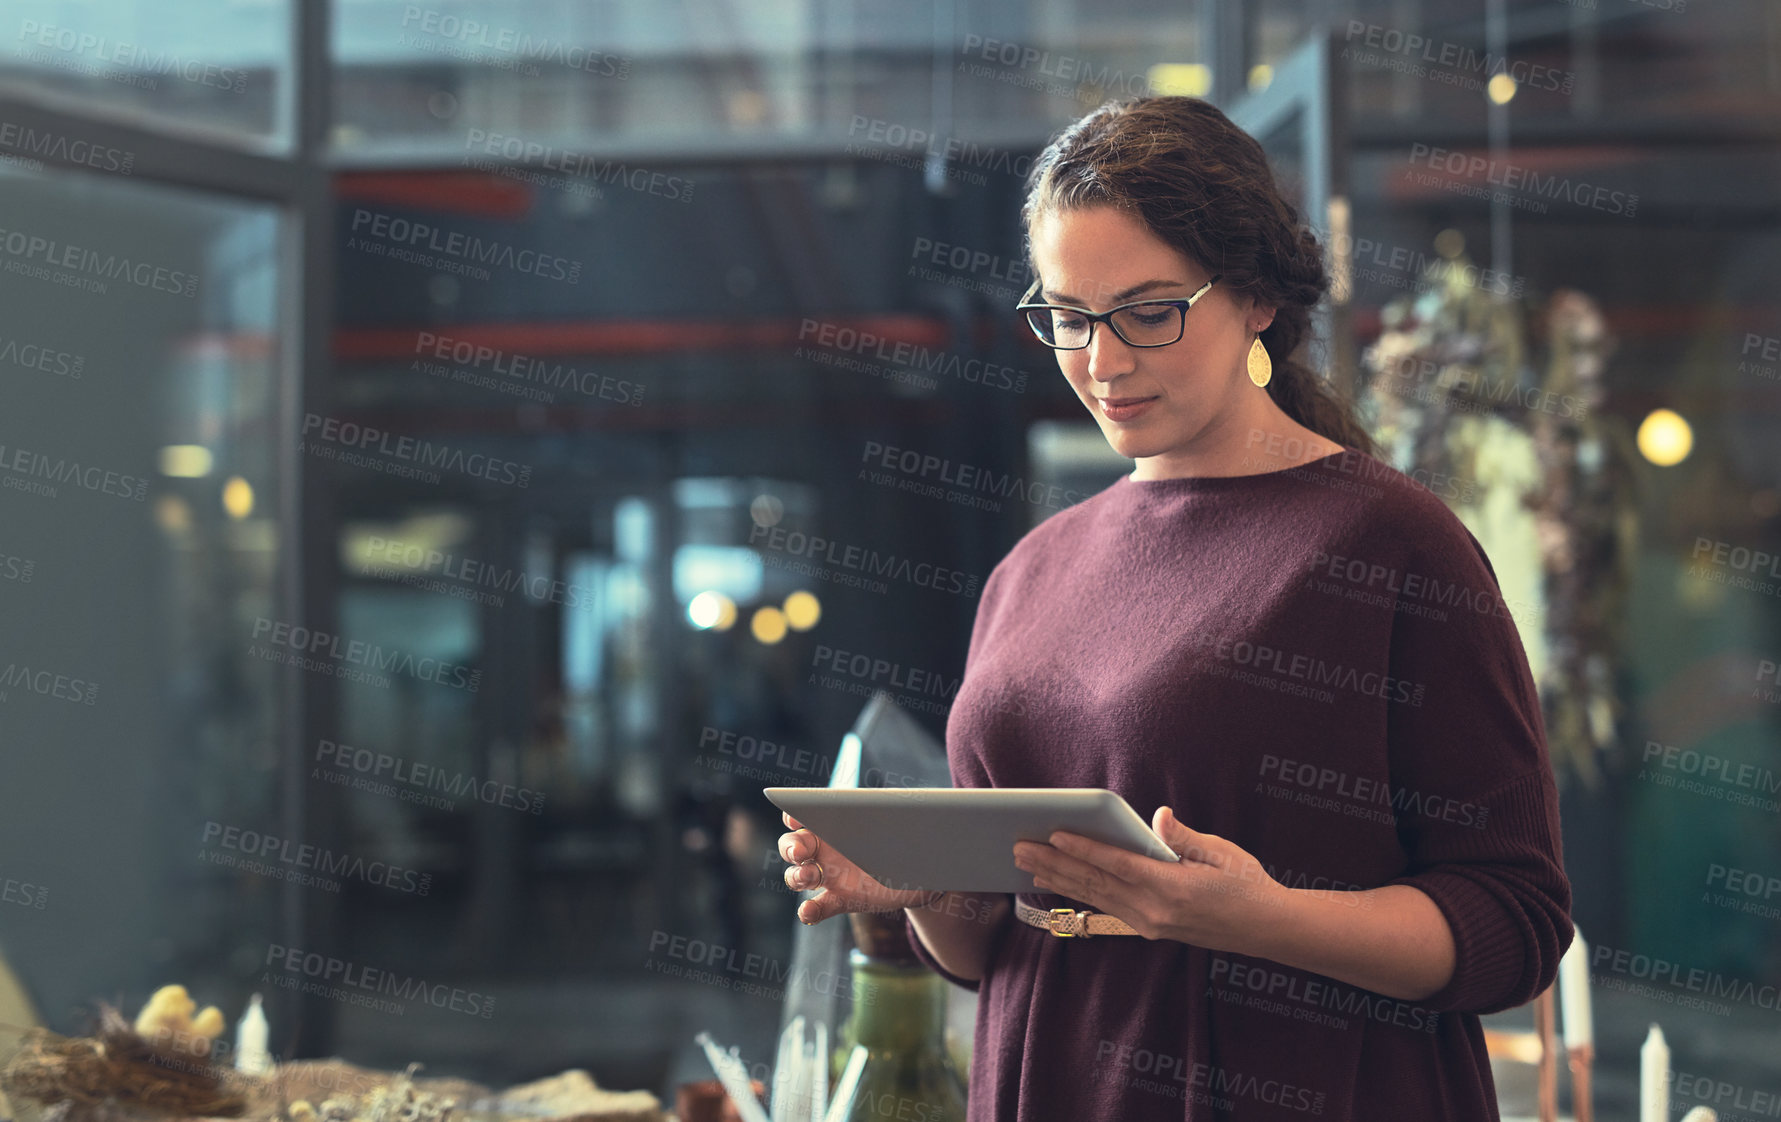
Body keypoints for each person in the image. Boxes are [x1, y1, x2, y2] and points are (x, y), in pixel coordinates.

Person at [777, 95, 1571, 1121]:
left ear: (1254, 295)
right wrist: (923, 887)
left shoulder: (1391, 544)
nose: (1101, 362)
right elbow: (996, 955)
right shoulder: (1031, 567)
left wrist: (1259, 919)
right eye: (1065, 317)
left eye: (1147, 311)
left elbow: (1514, 922)